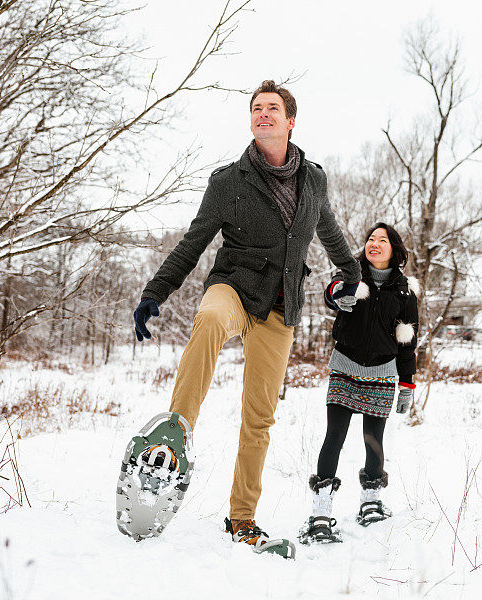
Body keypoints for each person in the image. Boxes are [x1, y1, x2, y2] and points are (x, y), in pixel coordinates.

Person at [132, 80, 361, 550]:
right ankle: (173, 434)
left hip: (281, 306)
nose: (263, 114)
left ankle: (242, 519)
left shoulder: (313, 179)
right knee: (211, 319)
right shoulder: (228, 182)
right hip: (233, 288)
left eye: (272, 108)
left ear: (290, 121)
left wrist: (352, 270)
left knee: (259, 419)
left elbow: (330, 232)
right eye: (256, 108)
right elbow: (192, 244)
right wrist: (156, 292)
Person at [299, 222, 419, 544]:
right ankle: (320, 511)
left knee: (373, 440)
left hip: (382, 374)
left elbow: (408, 342)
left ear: (394, 250)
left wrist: (407, 384)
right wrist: (340, 294)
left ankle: (371, 502)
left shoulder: (405, 292)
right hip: (345, 368)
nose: (374, 244)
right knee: (334, 437)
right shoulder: (351, 274)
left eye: (382, 240)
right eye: (370, 239)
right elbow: (331, 292)